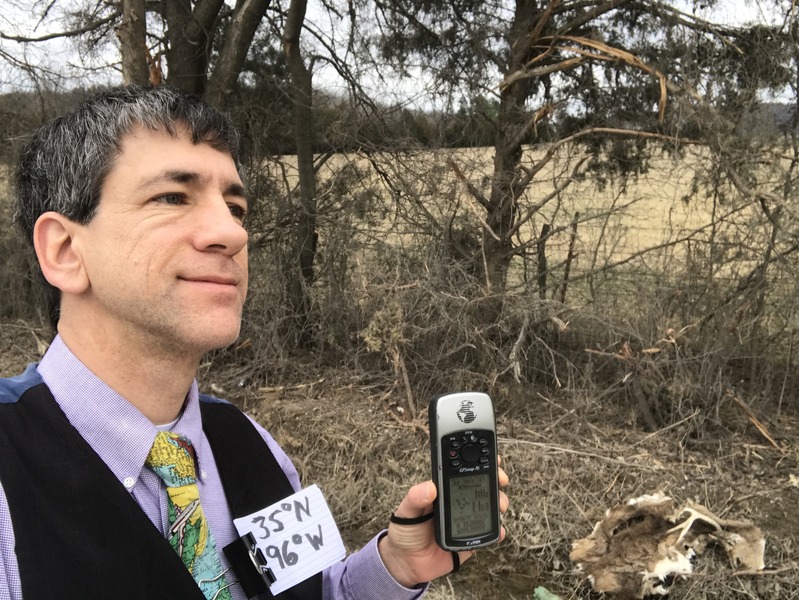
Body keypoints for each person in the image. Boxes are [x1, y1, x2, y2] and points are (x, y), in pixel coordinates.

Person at [0, 86, 509, 600]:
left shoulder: (249, 445)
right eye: (172, 197)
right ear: (64, 250)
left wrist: (395, 566)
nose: (233, 233)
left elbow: (308, 592)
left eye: (236, 207)